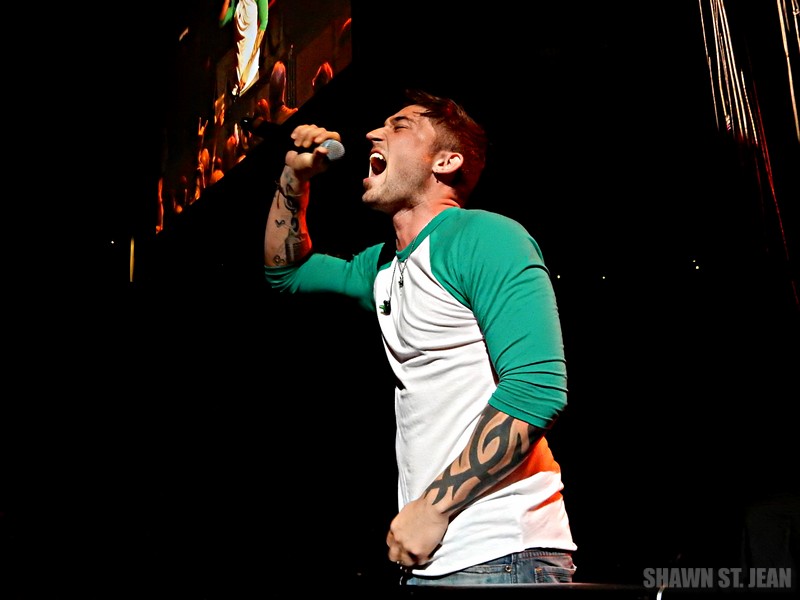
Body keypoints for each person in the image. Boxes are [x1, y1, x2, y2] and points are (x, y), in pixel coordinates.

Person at [263, 90, 577, 586]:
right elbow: (287, 273)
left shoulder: (485, 237)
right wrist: (293, 179)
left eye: (400, 125)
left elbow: (537, 389)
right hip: (434, 558)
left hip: (502, 552)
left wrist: (432, 508)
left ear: (446, 161)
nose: (373, 133)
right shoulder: (383, 267)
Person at [218, 0, 269, 99]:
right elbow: (221, 21)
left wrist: (246, 72)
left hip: (250, 75)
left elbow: (263, 24)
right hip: (237, 76)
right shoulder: (237, 5)